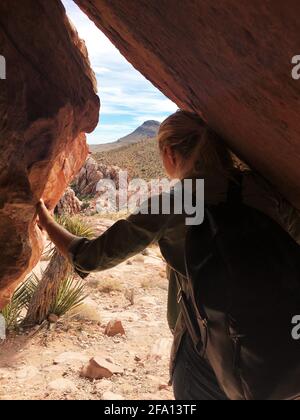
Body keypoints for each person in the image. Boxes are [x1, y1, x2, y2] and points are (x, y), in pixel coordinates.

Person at [36, 110, 300, 400]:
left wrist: (47, 222)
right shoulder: (260, 187)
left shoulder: (176, 201)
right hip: (274, 337)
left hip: (202, 351)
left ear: (169, 154)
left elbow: (92, 257)